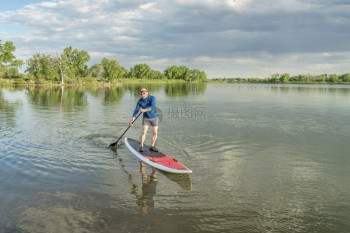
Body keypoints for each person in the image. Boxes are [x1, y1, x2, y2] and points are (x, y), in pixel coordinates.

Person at [130, 88, 159, 152]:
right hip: (146, 118)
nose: (143, 94)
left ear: (147, 92)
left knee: (155, 132)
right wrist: (132, 120)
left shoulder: (152, 98)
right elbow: (136, 111)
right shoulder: (140, 101)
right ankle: (141, 146)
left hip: (155, 118)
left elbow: (153, 107)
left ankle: (152, 146)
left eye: (144, 93)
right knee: (144, 132)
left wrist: (144, 110)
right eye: (141, 93)